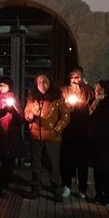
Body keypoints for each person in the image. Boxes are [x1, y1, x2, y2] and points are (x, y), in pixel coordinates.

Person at [23, 73, 70, 202]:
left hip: (52, 137)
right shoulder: (33, 97)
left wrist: (57, 128)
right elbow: (27, 110)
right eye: (39, 82)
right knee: (36, 163)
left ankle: (56, 189)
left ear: (50, 83)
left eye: (44, 82)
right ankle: (36, 188)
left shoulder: (57, 97)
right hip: (36, 136)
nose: (41, 85)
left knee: (53, 164)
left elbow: (65, 116)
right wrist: (29, 116)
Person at [60, 67, 94, 199]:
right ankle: (67, 186)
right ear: (69, 77)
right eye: (73, 77)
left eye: (78, 77)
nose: (75, 79)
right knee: (67, 160)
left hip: (83, 130)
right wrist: (67, 108)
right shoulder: (64, 91)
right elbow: (59, 107)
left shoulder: (87, 90)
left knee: (82, 162)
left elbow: (93, 107)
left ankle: (82, 188)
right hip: (68, 129)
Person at [87, 80, 109, 206]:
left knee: (105, 170)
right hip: (96, 142)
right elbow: (89, 117)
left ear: (106, 90)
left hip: (106, 143)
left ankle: (107, 195)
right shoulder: (95, 102)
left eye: (99, 89)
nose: (97, 91)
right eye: (96, 88)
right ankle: (98, 194)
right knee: (97, 170)